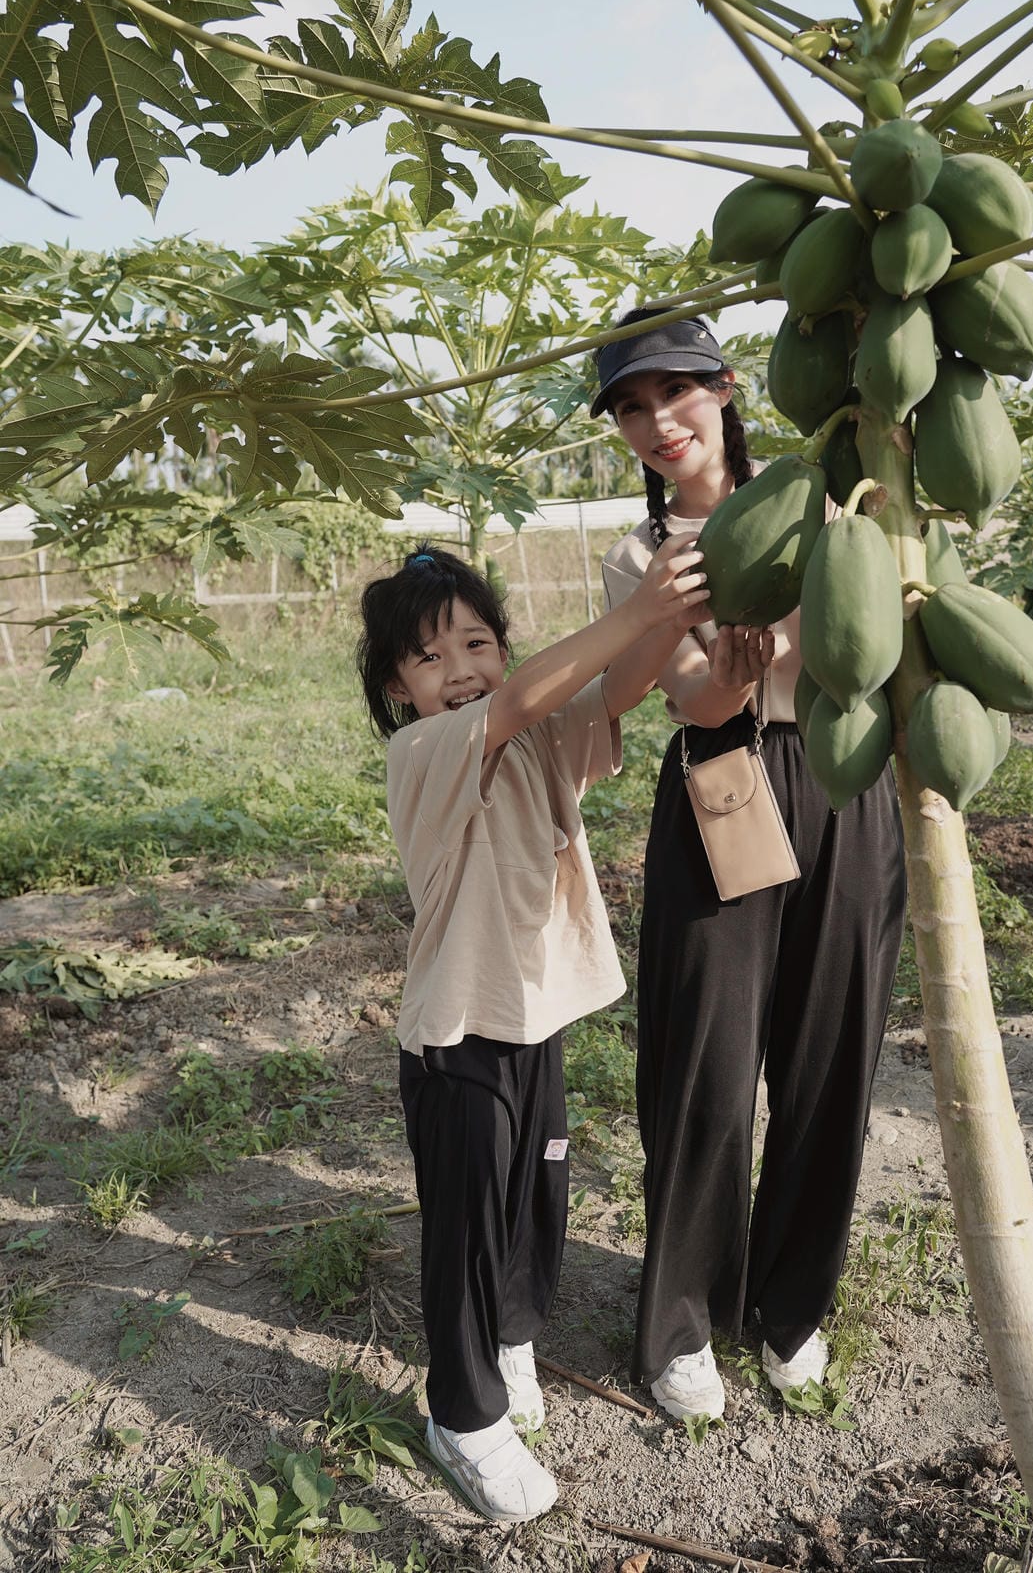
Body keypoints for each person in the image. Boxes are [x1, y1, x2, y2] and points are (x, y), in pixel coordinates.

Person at [357, 536, 709, 1523]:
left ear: (505, 648)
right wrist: (636, 613)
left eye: (477, 642)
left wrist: (663, 617)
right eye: (431, 657)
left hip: (533, 1016)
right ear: (398, 686)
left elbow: (623, 689)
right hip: (457, 1036)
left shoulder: (543, 733)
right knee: (466, 1230)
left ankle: (510, 1338)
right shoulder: (423, 751)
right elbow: (526, 699)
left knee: (532, 1200)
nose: (461, 670)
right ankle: (462, 1415)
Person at [596, 308, 907, 1423]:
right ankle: (682, 1321)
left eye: (672, 392)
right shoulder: (644, 557)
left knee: (830, 1060)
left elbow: (876, 622)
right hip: (721, 779)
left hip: (839, 774)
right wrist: (739, 661)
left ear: (726, 387)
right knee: (705, 1071)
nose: (656, 421)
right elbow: (689, 698)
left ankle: (792, 1308)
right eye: (631, 407)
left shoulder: (831, 500)